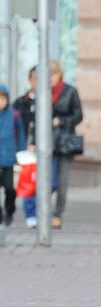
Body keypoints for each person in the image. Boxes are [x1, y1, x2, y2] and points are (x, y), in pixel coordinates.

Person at [50, 60, 83, 230]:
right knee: (48, 181)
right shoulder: (41, 92)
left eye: (53, 74)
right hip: (46, 142)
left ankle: (57, 214)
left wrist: (62, 121)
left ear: (60, 74)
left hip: (64, 141)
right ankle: (43, 211)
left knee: (62, 180)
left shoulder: (70, 91)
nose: (50, 78)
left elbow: (78, 115)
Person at [12, 67, 37, 228]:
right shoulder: (21, 102)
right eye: (35, 78)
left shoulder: (51, 101)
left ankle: (42, 210)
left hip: (50, 148)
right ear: (29, 80)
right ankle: (31, 215)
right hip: (27, 149)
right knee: (29, 181)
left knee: (49, 183)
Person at [0, 84, 24, 226]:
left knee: (9, 188)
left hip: (8, 158)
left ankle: (10, 210)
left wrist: (20, 153)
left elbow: (20, 135)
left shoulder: (13, 115)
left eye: (2, 98)